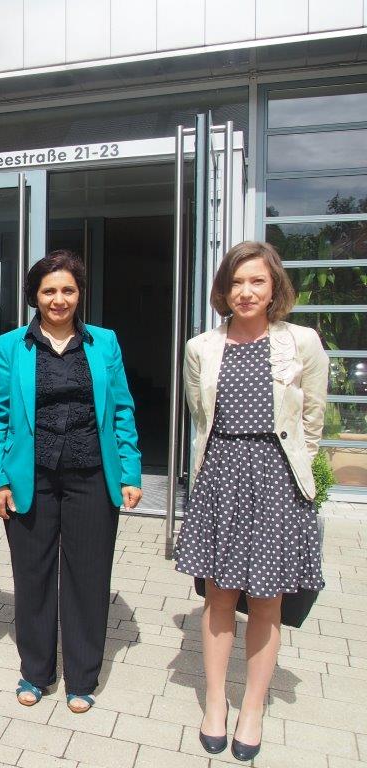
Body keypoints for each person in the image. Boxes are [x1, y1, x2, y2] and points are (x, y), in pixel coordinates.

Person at [174, 241, 327, 762]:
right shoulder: (201, 347)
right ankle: (215, 701)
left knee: (267, 603)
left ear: (273, 287)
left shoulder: (302, 343)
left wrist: (293, 483)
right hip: (221, 480)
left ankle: (253, 707)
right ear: (224, 289)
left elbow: (312, 424)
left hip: (278, 483)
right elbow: (202, 418)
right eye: (237, 282)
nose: (246, 292)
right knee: (218, 598)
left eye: (256, 281)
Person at [0, 250, 142, 715]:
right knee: (32, 578)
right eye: (49, 290)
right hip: (30, 480)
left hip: (92, 476)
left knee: (88, 579)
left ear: (79, 293)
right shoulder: (12, 346)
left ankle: (82, 677)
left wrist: (130, 471)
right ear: (35, 295)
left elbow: (123, 411)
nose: (58, 299)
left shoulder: (104, 343)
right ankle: (35, 671)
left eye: (67, 289)